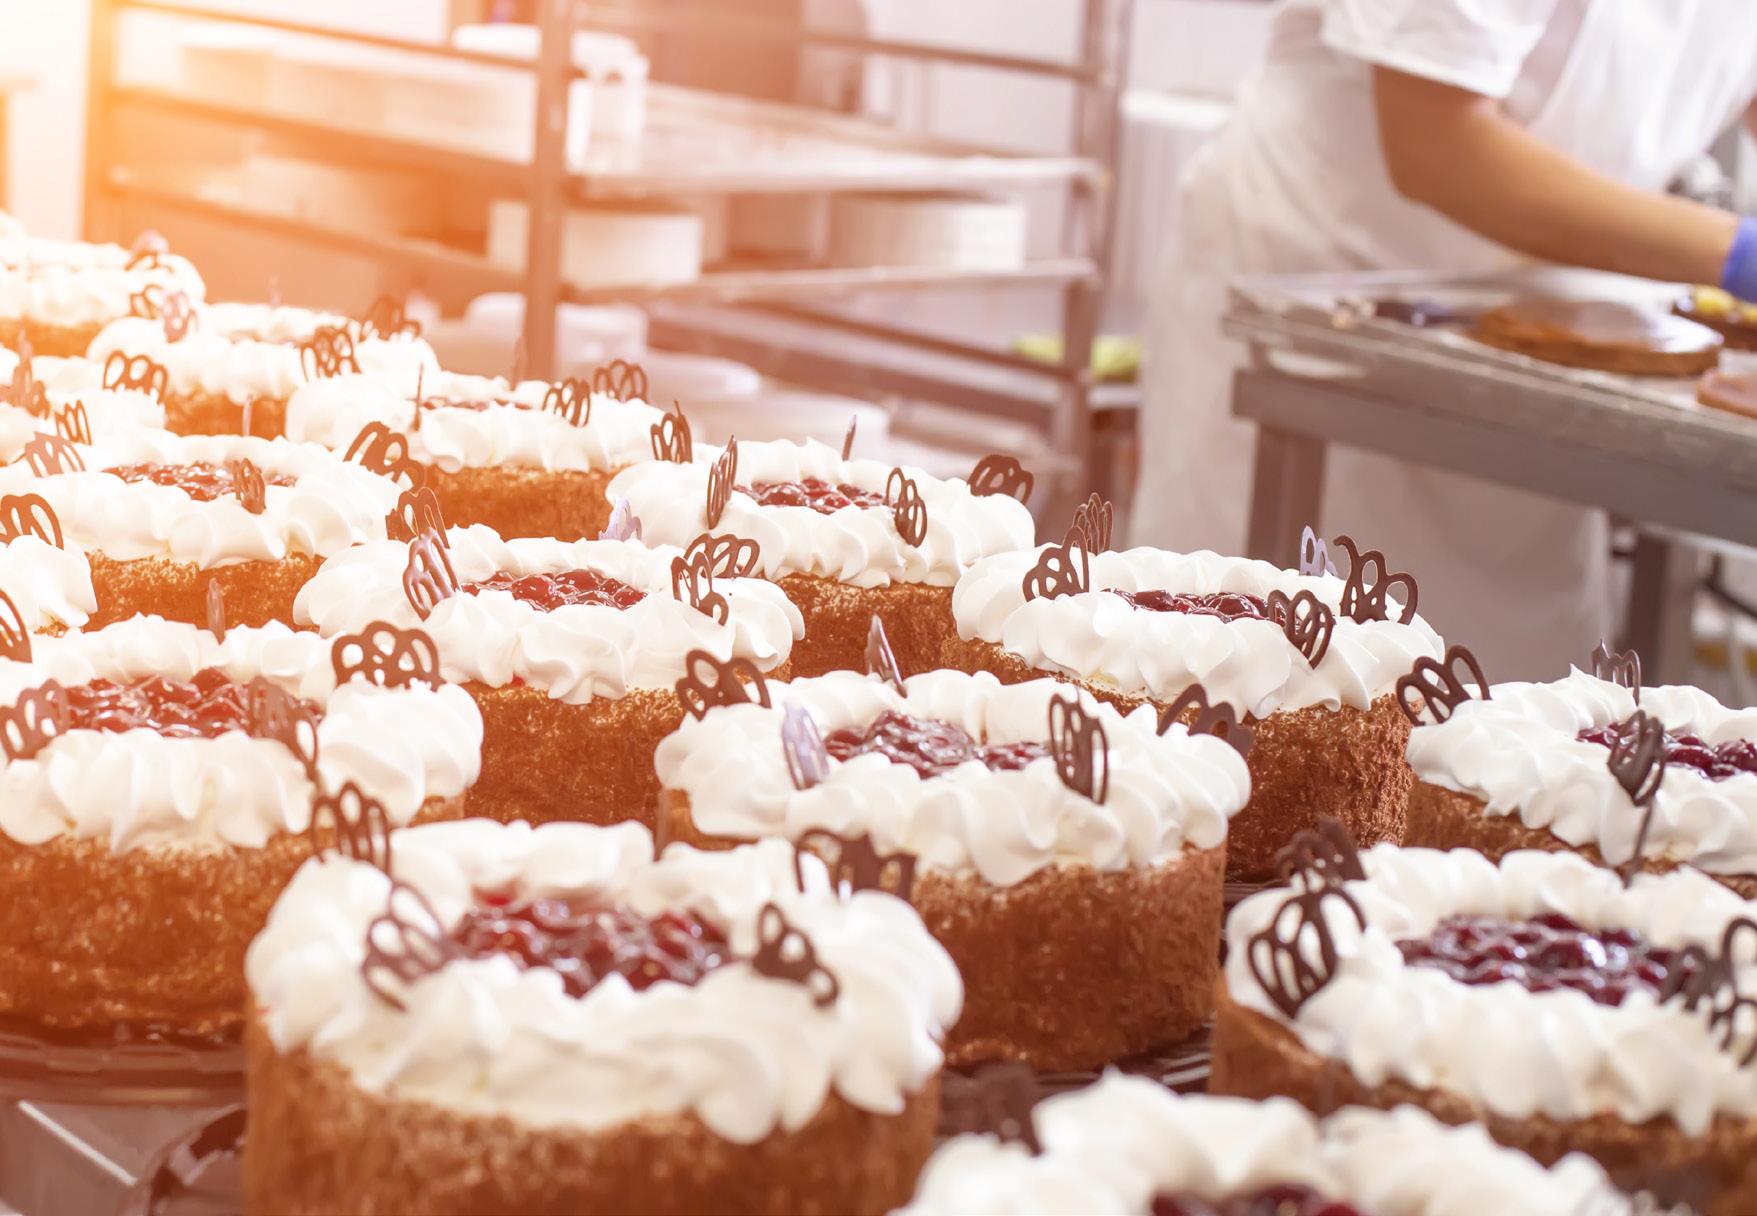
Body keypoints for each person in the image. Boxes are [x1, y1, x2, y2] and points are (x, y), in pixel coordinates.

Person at [1133, 0, 1757, 678]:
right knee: (1261, 680)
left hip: (1540, 333)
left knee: (1515, 702)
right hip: (1334, 283)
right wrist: (1734, 253)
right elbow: (1433, 143)